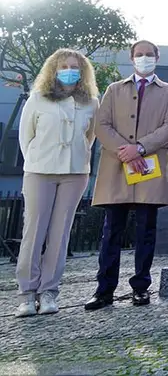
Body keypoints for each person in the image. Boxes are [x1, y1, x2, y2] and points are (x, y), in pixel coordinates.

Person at [85, 41, 168, 311]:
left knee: (145, 231)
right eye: (139, 55)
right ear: (131, 58)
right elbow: (101, 125)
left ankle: (141, 287)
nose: (144, 58)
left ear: (157, 58)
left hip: (149, 167)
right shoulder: (114, 89)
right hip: (117, 167)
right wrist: (125, 151)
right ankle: (104, 290)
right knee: (111, 231)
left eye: (149, 54)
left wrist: (140, 148)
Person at [14, 49, 99, 317]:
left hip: (74, 173)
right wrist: (38, 160)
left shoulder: (91, 103)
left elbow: (90, 137)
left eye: (75, 67)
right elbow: (25, 137)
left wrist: (76, 159)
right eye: (64, 66)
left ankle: (49, 291)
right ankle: (27, 293)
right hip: (40, 171)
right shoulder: (38, 99)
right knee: (34, 231)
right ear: (54, 69)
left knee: (60, 234)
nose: (69, 70)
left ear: (82, 71)